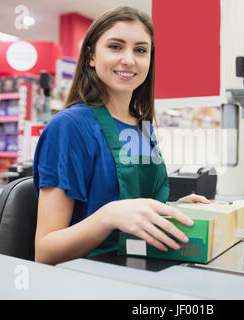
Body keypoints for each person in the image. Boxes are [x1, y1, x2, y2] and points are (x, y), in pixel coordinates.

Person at [33, 6, 210, 265]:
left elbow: (137, 203)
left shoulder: (141, 125)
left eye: (140, 50)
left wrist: (172, 210)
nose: (129, 59)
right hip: (89, 279)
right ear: (91, 57)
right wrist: (108, 217)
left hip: (141, 267)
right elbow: (45, 252)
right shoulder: (68, 127)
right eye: (116, 47)